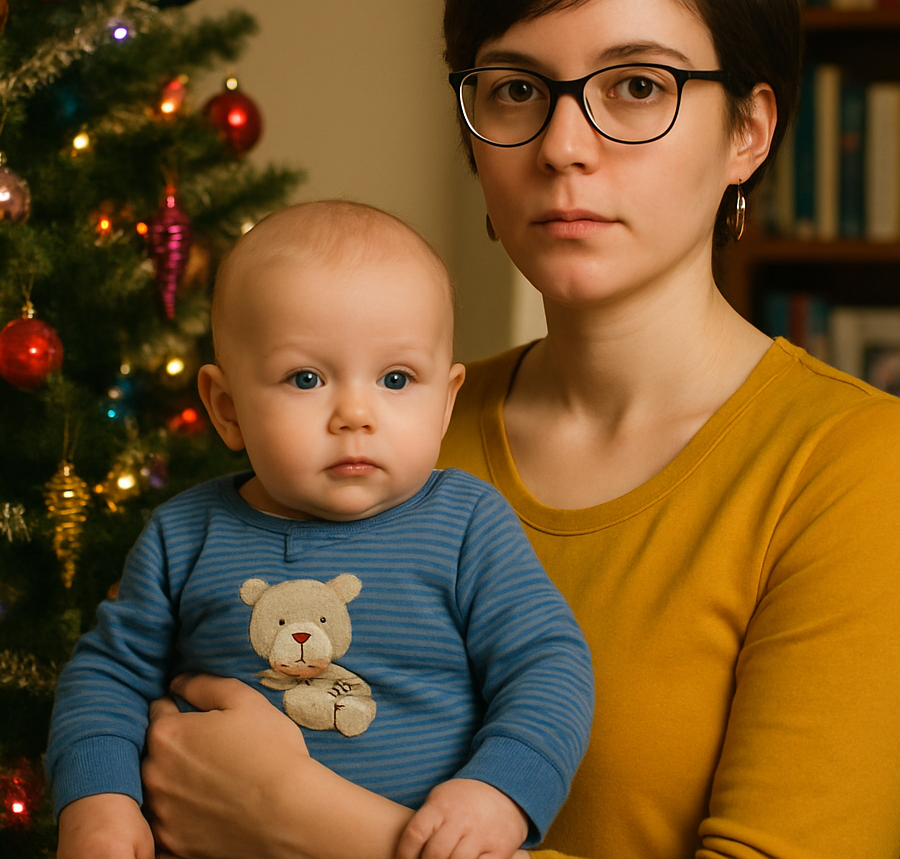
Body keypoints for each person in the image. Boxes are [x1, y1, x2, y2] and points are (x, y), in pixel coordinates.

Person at [137, 0, 900, 859]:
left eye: (638, 85)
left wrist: (303, 822)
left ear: (747, 130)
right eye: (517, 89)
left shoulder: (845, 463)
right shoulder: (385, 430)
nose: (564, 143)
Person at [46, 201, 594, 859]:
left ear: (446, 401)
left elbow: (548, 666)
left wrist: (500, 791)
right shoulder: (184, 535)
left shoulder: (466, 525)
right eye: (306, 378)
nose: (355, 414)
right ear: (227, 409)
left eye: (396, 378)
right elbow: (107, 678)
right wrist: (99, 801)